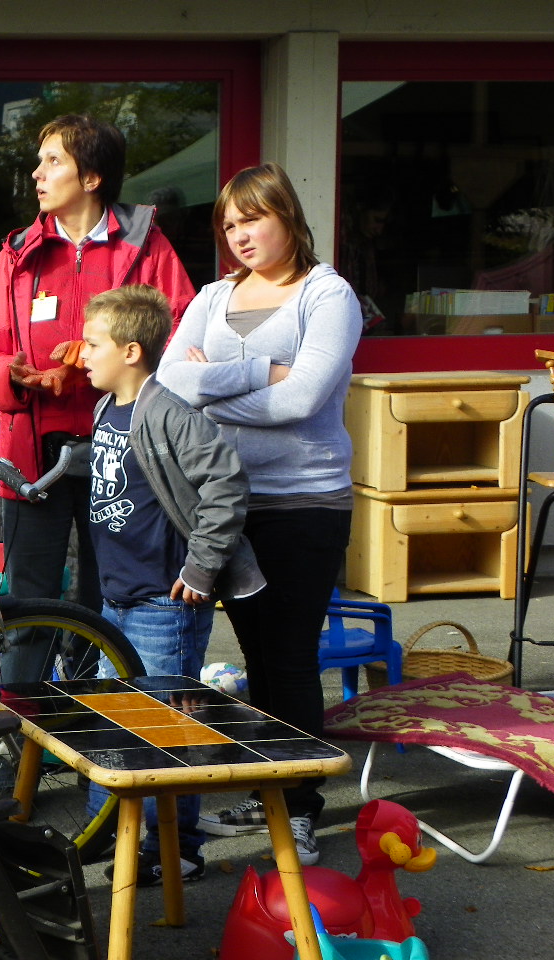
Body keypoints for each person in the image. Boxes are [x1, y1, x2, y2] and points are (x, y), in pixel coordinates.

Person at [157, 161, 362, 866]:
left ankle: (299, 808)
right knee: (256, 660)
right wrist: (254, 373)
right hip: (225, 504)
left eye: (254, 219)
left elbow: (302, 400)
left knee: (291, 657)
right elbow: (168, 385)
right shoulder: (214, 295)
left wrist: (209, 388)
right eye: (230, 224)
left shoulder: (326, 295)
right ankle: (270, 789)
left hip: (305, 502)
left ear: (288, 217)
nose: (240, 235)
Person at [0, 113, 195, 683]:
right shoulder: (18, 254)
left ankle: (94, 727)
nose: (36, 174)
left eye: (53, 161)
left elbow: (183, 340)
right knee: (28, 607)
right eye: (39, 161)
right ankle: (19, 734)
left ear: (91, 177)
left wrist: (107, 365)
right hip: (34, 457)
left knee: (107, 605)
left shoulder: (147, 247)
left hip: (124, 454)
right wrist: (14, 376)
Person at [77, 284, 264, 886]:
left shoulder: (169, 413)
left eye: (93, 344)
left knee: (162, 729)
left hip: (164, 601)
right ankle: (104, 834)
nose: (82, 354)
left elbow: (226, 485)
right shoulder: (106, 409)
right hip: (118, 598)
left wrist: (201, 568)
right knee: (112, 720)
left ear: (131, 351)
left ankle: (175, 848)